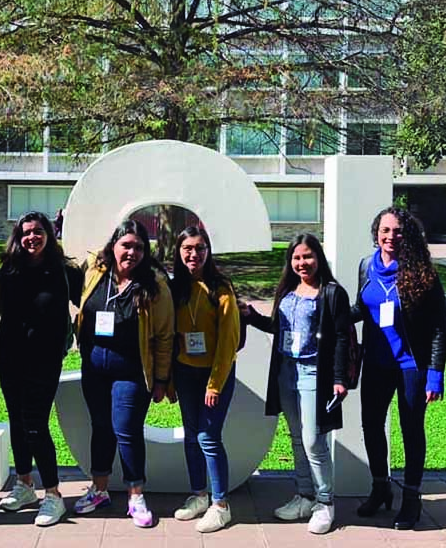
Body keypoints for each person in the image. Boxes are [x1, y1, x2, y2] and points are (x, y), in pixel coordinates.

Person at [240, 233, 350, 535]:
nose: (303, 263)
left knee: (314, 440)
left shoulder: (331, 292)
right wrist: (252, 316)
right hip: (286, 372)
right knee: (298, 438)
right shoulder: (288, 290)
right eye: (297, 258)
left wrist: (340, 379)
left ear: (319, 257)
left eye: (308, 256)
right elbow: (279, 328)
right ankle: (305, 496)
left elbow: (342, 337)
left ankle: (325, 502)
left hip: (315, 373)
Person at [352, 207, 446, 530]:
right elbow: (360, 308)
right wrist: (328, 309)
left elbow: (440, 325)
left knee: (411, 431)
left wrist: (435, 374)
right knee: (371, 425)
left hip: (411, 366)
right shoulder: (366, 266)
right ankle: (380, 486)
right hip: (376, 364)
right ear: (376, 233)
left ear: (407, 235)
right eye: (385, 230)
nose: (390, 236)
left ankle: (411, 498)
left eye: (397, 231)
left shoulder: (422, 271)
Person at [73, 219, 175, 528]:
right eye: (126, 245)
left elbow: (164, 336)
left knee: (126, 429)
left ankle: (136, 495)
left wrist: (160, 379)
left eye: (139, 247)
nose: (132, 252)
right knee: (100, 428)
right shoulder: (95, 271)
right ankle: (99, 490)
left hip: (131, 371)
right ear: (113, 246)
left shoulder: (154, 284)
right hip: (93, 367)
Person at [0, 212, 83, 526]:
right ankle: (24, 484)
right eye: (26, 232)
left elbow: (92, 298)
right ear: (18, 237)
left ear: (49, 233)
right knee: (18, 422)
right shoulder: (9, 269)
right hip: (9, 357)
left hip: (44, 361)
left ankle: (54, 495)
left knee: (34, 423)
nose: (32, 237)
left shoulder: (65, 271)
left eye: (38, 231)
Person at [169, 226, 240, 533]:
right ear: (179, 252)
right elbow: (170, 337)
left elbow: (228, 342)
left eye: (199, 248)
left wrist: (215, 383)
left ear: (208, 251)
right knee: (191, 434)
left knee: (208, 438)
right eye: (187, 249)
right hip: (185, 372)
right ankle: (199, 494)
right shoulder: (176, 288)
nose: (193, 254)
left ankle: (221, 504)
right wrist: (169, 378)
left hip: (215, 373)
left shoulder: (221, 289)